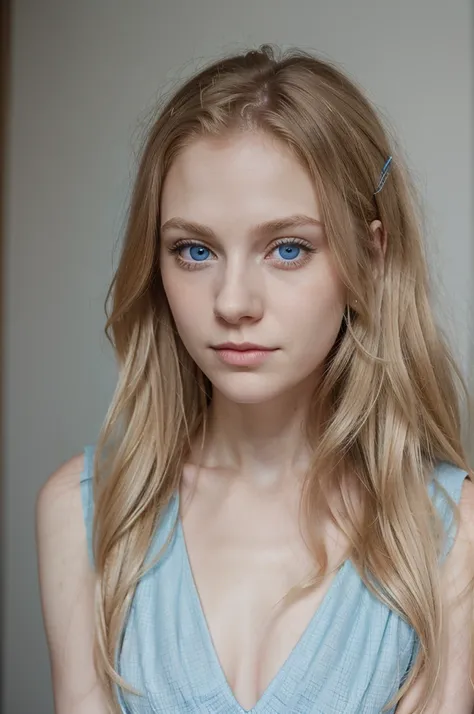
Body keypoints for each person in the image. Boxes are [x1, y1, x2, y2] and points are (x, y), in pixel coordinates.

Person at [36, 44, 474, 714]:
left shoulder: (452, 533)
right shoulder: (87, 512)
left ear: (372, 257)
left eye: (288, 248)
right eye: (195, 250)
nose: (233, 301)